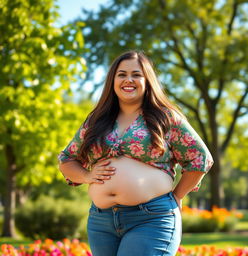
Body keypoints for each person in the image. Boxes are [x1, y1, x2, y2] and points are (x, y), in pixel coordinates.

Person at [58, 50, 214, 256]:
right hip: (101, 221)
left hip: (152, 217)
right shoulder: (97, 120)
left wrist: (176, 197)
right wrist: (87, 175)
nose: (128, 79)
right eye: (121, 74)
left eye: (136, 74)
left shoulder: (166, 117)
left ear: (147, 80)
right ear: (112, 81)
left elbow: (199, 157)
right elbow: (67, 159)